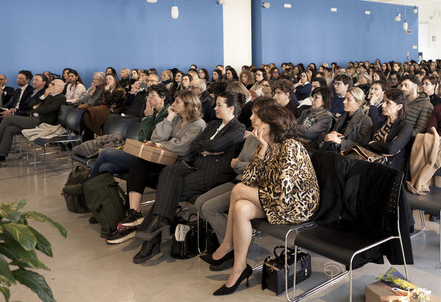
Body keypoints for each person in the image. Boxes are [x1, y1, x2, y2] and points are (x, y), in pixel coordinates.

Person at [207, 104, 319, 296]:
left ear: (270, 124)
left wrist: (254, 188)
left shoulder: (291, 147)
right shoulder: (268, 145)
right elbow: (249, 178)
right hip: (276, 199)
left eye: (257, 117)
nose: (251, 119)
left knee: (239, 189)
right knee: (241, 207)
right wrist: (263, 149)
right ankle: (239, 267)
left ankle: (227, 245)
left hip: (297, 205)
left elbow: (283, 194)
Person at [129, 92, 246, 259]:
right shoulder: (212, 124)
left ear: (231, 108)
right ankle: (159, 224)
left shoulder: (238, 128)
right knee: (169, 171)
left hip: (214, 174)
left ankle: (151, 239)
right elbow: (195, 146)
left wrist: (208, 147)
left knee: (168, 191)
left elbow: (218, 144)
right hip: (195, 167)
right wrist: (207, 148)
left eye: (219, 105)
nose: (215, 108)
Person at [119, 91, 206, 255]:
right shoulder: (177, 118)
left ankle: (150, 237)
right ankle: (134, 212)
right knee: (138, 163)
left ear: (188, 105)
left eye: (177, 101)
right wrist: (169, 117)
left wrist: (163, 144)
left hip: (183, 166)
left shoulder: (198, 124)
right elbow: (156, 137)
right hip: (167, 161)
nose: (173, 103)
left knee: (164, 178)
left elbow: (182, 147)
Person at [195, 98, 277, 259]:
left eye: (255, 114)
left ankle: (230, 249)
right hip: (239, 180)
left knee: (209, 207)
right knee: (199, 203)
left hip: (252, 187)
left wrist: (241, 164)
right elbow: (236, 163)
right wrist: (242, 165)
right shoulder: (252, 136)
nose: (251, 117)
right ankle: (230, 244)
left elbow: (256, 170)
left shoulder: (271, 141)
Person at [90, 84, 171, 179]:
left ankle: (85, 185)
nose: (148, 99)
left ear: (163, 97)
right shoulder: (153, 112)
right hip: (143, 151)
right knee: (106, 167)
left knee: (104, 153)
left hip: (152, 158)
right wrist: (148, 119)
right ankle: (96, 190)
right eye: (148, 96)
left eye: (152, 95)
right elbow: (141, 136)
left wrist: (148, 117)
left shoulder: (167, 115)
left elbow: (150, 136)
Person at [0, 79, 66, 169]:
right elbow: (31, 104)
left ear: (59, 89)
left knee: (8, 118)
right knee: (9, 129)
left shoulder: (61, 98)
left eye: (53, 84)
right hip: (33, 118)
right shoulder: (48, 96)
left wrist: (35, 108)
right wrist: (43, 96)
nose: (50, 85)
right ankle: (0, 160)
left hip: (42, 122)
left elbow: (45, 110)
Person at [358, 88, 413, 172]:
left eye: (388, 103)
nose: (383, 105)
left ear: (399, 106)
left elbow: (391, 148)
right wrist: (383, 146)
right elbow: (362, 144)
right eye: (383, 101)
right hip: (371, 163)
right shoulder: (378, 124)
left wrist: (372, 143)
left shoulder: (406, 126)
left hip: (390, 169)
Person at [0, 71, 35, 142]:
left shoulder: (31, 91)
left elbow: (26, 108)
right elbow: (11, 104)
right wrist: (2, 109)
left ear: (28, 80)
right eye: (17, 78)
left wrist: (11, 111)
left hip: (19, 113)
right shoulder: (18, 90)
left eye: (21, 78)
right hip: (8, 109)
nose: (18, 79)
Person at [320, 87, 372, 152]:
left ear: (358, 103)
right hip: (333, 151)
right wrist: (331, 135)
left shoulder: (365, 120)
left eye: (348, 100)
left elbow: (362, 146)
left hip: (347, 157)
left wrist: (340, 142)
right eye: (345, 99)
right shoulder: (342, 118)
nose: (344, 102)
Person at [80, 73, 126, 141]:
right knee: (88, 113)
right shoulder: (105, 89)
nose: (108, 81)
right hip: (105, 108)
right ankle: (87, 138)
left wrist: (107, 93)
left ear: (115, 80)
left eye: (110, 79)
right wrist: (108, 102)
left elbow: (112, 102)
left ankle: (84, 135)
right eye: (107, 79)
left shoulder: (120, 91)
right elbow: (99, 101)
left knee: (90, 112)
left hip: (114, 111)